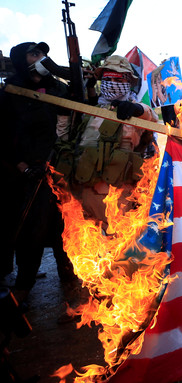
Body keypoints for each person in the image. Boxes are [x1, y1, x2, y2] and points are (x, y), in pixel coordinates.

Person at [0, 41, 79, 305]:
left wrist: (71, 70)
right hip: (24, 173)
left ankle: (68, 278)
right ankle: (23, 285)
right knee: (30, 231)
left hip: (57, 167)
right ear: (22, 60)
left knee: (64, 225)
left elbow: (78, 105)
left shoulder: (57, 88)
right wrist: (22, 166)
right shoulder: (11, 92)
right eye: (34, 53)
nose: (41, 57)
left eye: (43, 53)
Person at [68, 55, 158, 227]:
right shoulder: (90, 110)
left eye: (119, 78)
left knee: (119, 245)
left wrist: (136, 109)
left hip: (120, 194)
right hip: (86, 190)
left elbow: (151, 118)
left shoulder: (136, 111)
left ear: (129, 82)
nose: (113, 82)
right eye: (108, 78)